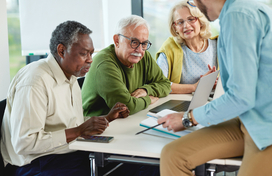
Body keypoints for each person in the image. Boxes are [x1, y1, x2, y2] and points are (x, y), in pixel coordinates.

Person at [0, 21, 130, 176]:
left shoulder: (71, 77)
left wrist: (107, 118)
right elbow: (24, 143)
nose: (90, 60)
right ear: (61, 50)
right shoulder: (34, 81)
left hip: (67, 153)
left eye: (91, 53)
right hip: (34, 164)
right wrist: (79, 130)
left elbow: (71, 124)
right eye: (83, 53)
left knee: (129, 164)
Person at [158, 0, 272, 175]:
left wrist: (188, 118)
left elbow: (240, 97)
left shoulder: (238, 15)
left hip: (265, 125)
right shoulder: (235, 14)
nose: (195, 3)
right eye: (180, 22)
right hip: (248, 118)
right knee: (173, 155)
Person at [82, 15, 171, 117]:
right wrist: (148, 99)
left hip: (126, 120)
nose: (140, 50)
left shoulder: (143, 56)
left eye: (144, 44)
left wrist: (146, 90)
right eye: (134, 42)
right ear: (117, 40)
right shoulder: (104, 64)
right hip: (97, 125)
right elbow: (126, 107)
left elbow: (166, 84)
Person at [156, 0, 217, 94]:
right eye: (180, 22)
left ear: (200, 21)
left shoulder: (217, 45)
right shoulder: (169, 48)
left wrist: (218, 83)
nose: (186, 26)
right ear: (175, 27)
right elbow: (159, 84)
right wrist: (195, 87)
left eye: (191, 19)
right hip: (181, 104)